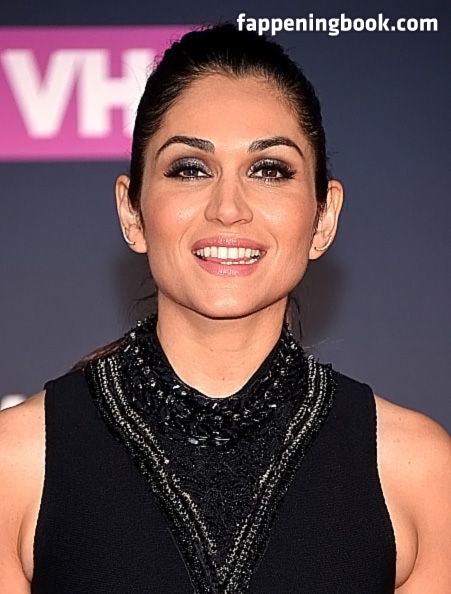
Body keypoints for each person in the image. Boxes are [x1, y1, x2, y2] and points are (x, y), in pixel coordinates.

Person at [0, 23, 450, 594]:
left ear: (324, 217)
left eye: (269, 170)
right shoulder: (15, 464)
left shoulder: (417, 471)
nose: (229, 208)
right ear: (132, 212)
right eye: (190, 169)